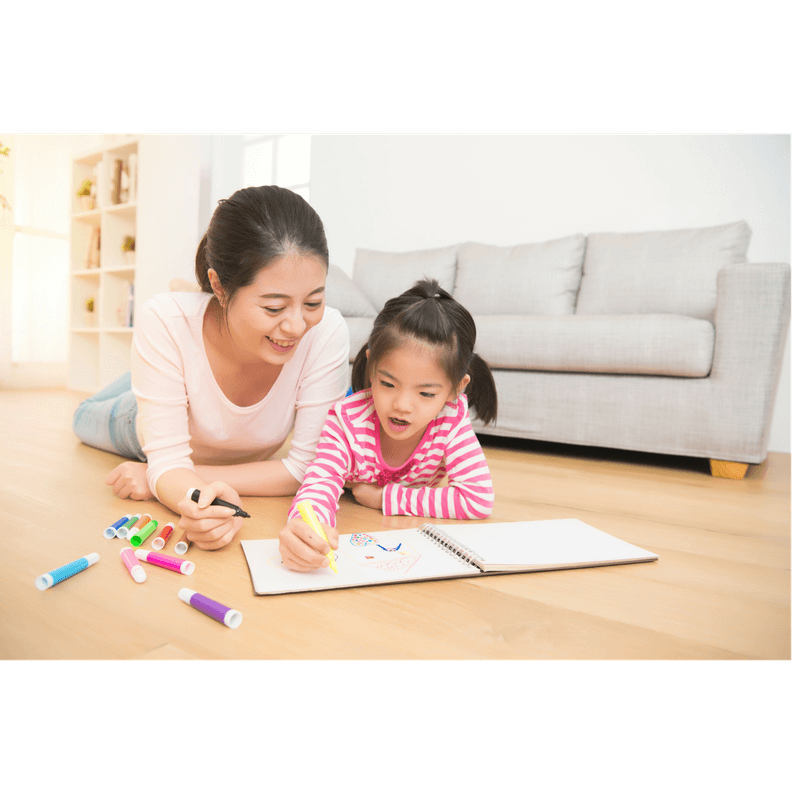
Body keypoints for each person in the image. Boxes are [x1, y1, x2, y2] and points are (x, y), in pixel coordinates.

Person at [72, 186, 349, 550]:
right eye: (273, 308)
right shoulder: (161, 316)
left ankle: (169, 370)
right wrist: (171, 477)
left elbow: (305, 469)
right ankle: (156, 375)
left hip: (193, 421)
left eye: (313, 301)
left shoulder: (326, 331)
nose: (297, 326)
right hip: (132, 421)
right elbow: (167, 459)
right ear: (218, 284)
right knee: (82, 417)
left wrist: (168, 479)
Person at [278, 278, 498, 572]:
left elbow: (477, 499)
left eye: (426, 393)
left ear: (456, 389)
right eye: (388, 383)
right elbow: (319, 484)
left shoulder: (451, 418)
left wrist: (386, 498)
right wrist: (307, 529)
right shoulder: (346, 420)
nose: (402, 405)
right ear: (371, 368)